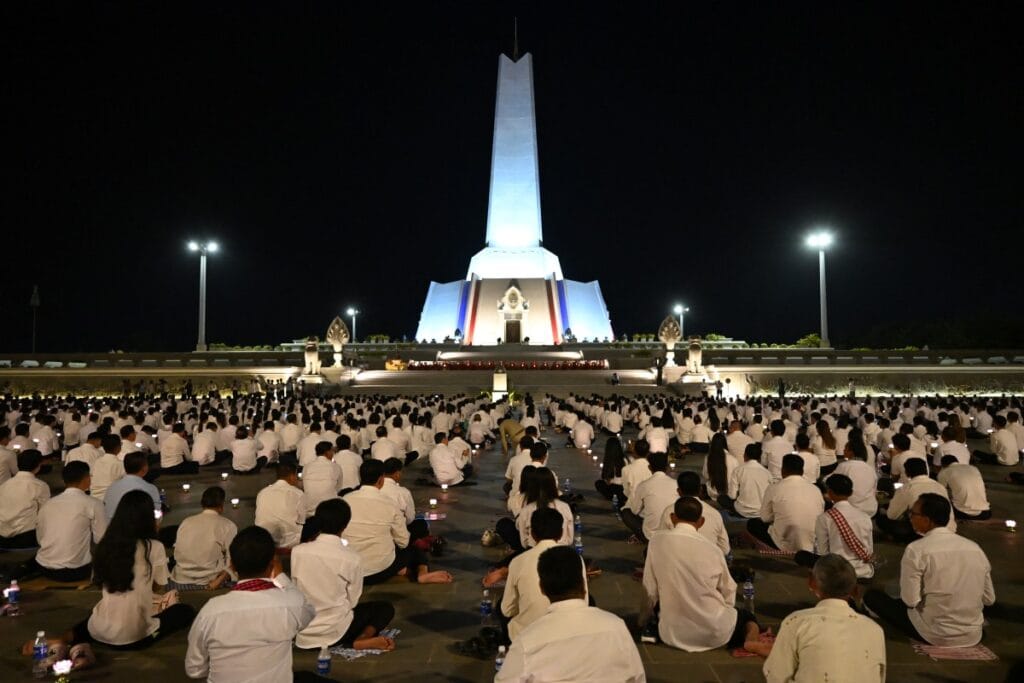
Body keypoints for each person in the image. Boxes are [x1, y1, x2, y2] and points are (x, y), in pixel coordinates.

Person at [185, 526, 321, 682]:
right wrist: (281, 577)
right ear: (272, 564)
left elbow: (194, 670)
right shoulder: (291, 604)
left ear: (232, 566)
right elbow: (308, 612)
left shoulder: (210, 611)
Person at [495, 546, 645, 683]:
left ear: (542, 589)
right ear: (584, 585)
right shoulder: (617, 627)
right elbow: (638, 677)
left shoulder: (527, 641)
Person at [68, 490, 196, 648]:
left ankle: (62, 641)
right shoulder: (153, 547)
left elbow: (99, 581)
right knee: (184, 612)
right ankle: (154, 633)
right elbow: (158, 587)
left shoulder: (106, 545)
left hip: (100, 632)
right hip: (138, 638)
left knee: (95, 619)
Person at [864, 494, 995, 647]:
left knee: (872, 597)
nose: (910, 518)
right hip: (972, 634)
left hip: (934, 633)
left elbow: (911, 601)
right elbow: (989, 599)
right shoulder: (975, 548)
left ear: (927, 520)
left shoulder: (916, 549)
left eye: (913, 514)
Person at [642, 497, 761, 652]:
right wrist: (724, 610)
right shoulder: (712, 550)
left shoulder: (656, 541)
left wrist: (644, 618)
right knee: (748, 617)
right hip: (714, 631)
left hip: (672, 632)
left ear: (672, 517)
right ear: (701, 522)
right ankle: (751, 640)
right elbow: (729, 589)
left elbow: (650, 588)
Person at [293, 499, 396, 651]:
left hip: (304, 633)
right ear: (345, 525)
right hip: (335, 632)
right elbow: (353, 600)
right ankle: (363, 638)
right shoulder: (351, 557)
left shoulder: (298, 551)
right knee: (384, 608)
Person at [763, 555, 886, 682]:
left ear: (811, 582)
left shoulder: (796, 622)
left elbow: (775, 675)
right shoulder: (875, 630)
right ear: (855, 590)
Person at [343, 459, 452, 585]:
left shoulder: (346, 500)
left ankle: (402, 569)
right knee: (413, 549)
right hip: (379, 570)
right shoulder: (389, 503)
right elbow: (403, 542)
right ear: (381, 479)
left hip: (350, 571)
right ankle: (422, 573)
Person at [501, 507, 586, 642]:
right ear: (561, 533)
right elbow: (584, 601)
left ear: (532, 534)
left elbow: (507, 609)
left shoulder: (518, 561)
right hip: (568, 632)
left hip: (529, 636)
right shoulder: (575, 558)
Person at [33, 461, 107, 582]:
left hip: (44, 567)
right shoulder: (94, 504)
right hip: (75, 571)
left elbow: (40, 538)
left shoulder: (48, 504)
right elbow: (101, 539)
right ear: (87, 478)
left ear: (64, 480)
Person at [794, 475, 874, 579]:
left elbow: (823, 552)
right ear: (851, 492)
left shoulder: (825, 518)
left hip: (837, 570)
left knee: (801, 556)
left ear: (830, 492)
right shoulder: (864, 516)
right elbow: (869, 549)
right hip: (863, 570)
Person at [747, 454, 824, 552]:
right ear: (802, 471)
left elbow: (765, 518)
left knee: (752, 524)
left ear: (783, 470)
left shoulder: (773, 488)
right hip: (811, 543)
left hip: (783, 543)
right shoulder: (816, 490)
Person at [170, 486, 238, 590]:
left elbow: (178, 551)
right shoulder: (228, 525)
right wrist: (218, 581)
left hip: (179, 579)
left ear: (202, 504)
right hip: (210, 580)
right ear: (222, 505)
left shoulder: (186, 522)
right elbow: (232, 559)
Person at [878, 458, 956, 541]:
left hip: (923, 534)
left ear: (907, 473)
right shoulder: (940, 486)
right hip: (950, 529)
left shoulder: (907, 488)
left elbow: (892, 515)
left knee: (881, 519)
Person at [658, 471, 729, 555]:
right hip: (707, 558)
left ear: (678, 491)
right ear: (701, 489)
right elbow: (725, 549)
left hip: (676, 558)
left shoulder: (669, 511)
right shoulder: (714, 513)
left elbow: (660, 540)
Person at [0, 449, 51, 548]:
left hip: (1, 537)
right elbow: (44, 514)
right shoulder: (39, 486)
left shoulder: (4, 485)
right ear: (38, 466)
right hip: (25, 538)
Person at [622, 451, 677, 543]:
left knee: (626, 512)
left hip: (650, 535)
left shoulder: (644, 485)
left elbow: (635, 510)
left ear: (649, 467)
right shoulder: (675, 484)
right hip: (672, 532)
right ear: (667, 467)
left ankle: (641, 537)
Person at [254, 462, 306, 549]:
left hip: (264, 539)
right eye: (296, 476)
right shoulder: (297, 493)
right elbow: (302, 520)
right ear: (292, 476)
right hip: (288, 542)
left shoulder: (262, 492)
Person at [829, 433, 877, 517]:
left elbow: (830, 480)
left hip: (851, 509)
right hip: (870, 508)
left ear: (851, 452)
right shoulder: (870, 469)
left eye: (845, 449)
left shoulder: (844, 466)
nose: (843, 450)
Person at [104, 452, 162, 519]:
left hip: (111, 524)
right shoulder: (150, 488)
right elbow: (156, 514)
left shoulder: (112, 487)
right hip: (136, 525)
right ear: (144, 468)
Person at [381, 457, 428, 541]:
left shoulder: (376, 488)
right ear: (397, 473)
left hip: (378, 529)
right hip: (396, 532)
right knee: (421, 523)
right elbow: (410, 519)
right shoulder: (403, 492)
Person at [724, 443, 772, 518]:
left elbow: (732, 496)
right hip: (761, 511)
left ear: (745, 455)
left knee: (721, 498)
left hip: (742, 511)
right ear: (760, 458)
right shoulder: (767, 473)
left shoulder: (738, 470)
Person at [938, 455, 991, 520]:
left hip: (961, 512)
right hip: (984, 513)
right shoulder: (973, 468)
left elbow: (940, 490)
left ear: (943, 465)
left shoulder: (944, 472)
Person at [302, 441, 342, 517]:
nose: (333, 453)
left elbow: (304, 486)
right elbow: (339, 488)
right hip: (329, 510)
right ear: (327, 452)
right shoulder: (335, 466)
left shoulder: (307, 466)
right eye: (332, 451)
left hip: (309, 511)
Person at [90, 433, 127, 502]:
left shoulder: (97, 462)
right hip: (111, 499)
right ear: (118, 447)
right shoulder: (120, 464)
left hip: (93, 497)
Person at [702, 433, 737, 501]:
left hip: (712, 493)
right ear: (725, 443)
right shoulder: (733, 459)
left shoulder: (708, 457)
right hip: (729, 494)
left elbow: (705, 475)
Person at [594, 436, 627, 502]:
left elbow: (607, 480)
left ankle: (612, 497)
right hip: (625, 491)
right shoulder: (625, 459)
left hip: (614, 490)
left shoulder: (609, 461)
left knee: (598, 483)